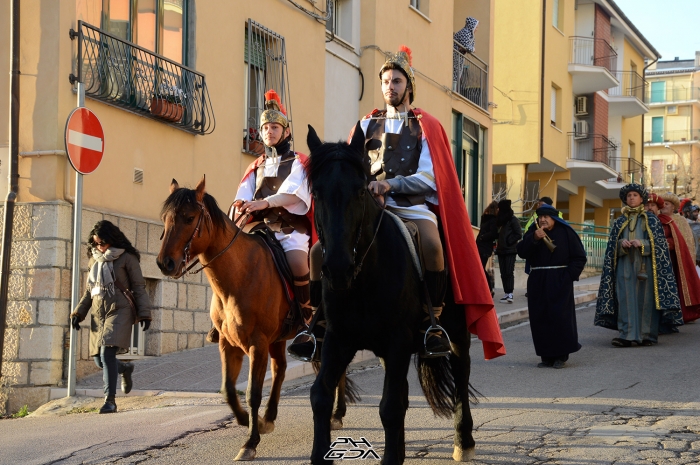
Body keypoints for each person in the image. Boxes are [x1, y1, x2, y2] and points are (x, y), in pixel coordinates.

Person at [289, 45, 505, 361]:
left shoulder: (425, 126)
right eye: (386, 81)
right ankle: (318, 323)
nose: (390, 87)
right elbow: (349, 173)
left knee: (432, 245)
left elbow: (430, 178)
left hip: (412, 206)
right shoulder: (364, 126)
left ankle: (433, 321)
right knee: (319, 252)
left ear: (409, 86)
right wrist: (364, 189)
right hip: (370, 208)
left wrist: (390, 183)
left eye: (397, 81)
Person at [231, 90, 313, 343]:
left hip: (290, 229)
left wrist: (263, 202)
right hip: (261, 229)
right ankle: (225, 319)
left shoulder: (299, 162)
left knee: (299, 264)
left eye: (275, 127)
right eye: (266, 127)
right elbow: (242, 194)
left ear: (286, 132)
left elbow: (293, 195)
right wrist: (240, 207)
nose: (270, 131)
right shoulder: (256, 165)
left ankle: (306, 320)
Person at [69, 221, 151, 414]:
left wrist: (145, 313)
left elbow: (139, 287)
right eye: (96, 243)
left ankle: (110, 401)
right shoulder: (94, 260)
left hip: (120, 310)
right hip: (99, 313)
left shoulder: (127, 258)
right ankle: (125, 369)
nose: (99, 247)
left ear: (112, 240)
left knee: (107, 355)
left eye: (102, 243)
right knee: (99, 360)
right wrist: (78, 313)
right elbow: (90, 291)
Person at [594, 184, 682, 347]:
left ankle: (647, 335)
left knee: (646, 299)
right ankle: (627, 335)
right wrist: (621, 244)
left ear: (641, 198)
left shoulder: (652, 220)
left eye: (635, 195)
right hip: (625, 265)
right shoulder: (619, 221)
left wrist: (643, 244)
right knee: (625, 298)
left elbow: (660, 245)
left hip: (647, 266)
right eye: (629, 196)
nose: (632, 198)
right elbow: (612, 247)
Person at [517, 205, 587, 368]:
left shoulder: (566, 232)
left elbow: (579, 258)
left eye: (546, 217)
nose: (542, 219)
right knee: (539, 317)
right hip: (538, 280)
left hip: (559, 279)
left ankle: (560, 356)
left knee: (559, 317)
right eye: (540, 217)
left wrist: (567, 276)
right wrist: (533, 238)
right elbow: (522, 252)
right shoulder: (533, 232)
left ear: (554, 218)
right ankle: (545, 355)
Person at [657, 192, 700, 324]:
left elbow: (687, 242)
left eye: (667, 204)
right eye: (662, 203)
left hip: (677, 259)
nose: (664, 206)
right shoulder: (656, 219)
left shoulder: (680, 221)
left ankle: (680, 313)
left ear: (673, 207)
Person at [496, 199, 522, 303]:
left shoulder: (513, 220)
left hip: (510, 250)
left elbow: (518, 234)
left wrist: (508, 241)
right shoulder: (502, 221)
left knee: (509, 272)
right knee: (503, 273)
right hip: (501, 250)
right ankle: (506, 293)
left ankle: (510, 294)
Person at [475, 201, 499, 297]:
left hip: (480, 245)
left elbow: (487, 233)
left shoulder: (485, 219)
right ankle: (488, 288)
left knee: (480, 268)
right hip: (485, 247)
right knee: (481, 268)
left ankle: (487, 288)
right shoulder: (493, 220)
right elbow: (494, 233)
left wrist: (481, 238)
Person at [453, 17, 479, 84]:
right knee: (455, 72)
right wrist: (472, 49)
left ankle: (455, 86)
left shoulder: (471, 35)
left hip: (460, 55)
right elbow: (467, 46)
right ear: (472, 26)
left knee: (457, 72)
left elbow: (469, 46)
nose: (477, 29)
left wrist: (470, 48)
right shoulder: (465, 32)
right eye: (476, 27)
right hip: (455, 54)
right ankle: (453, 86)